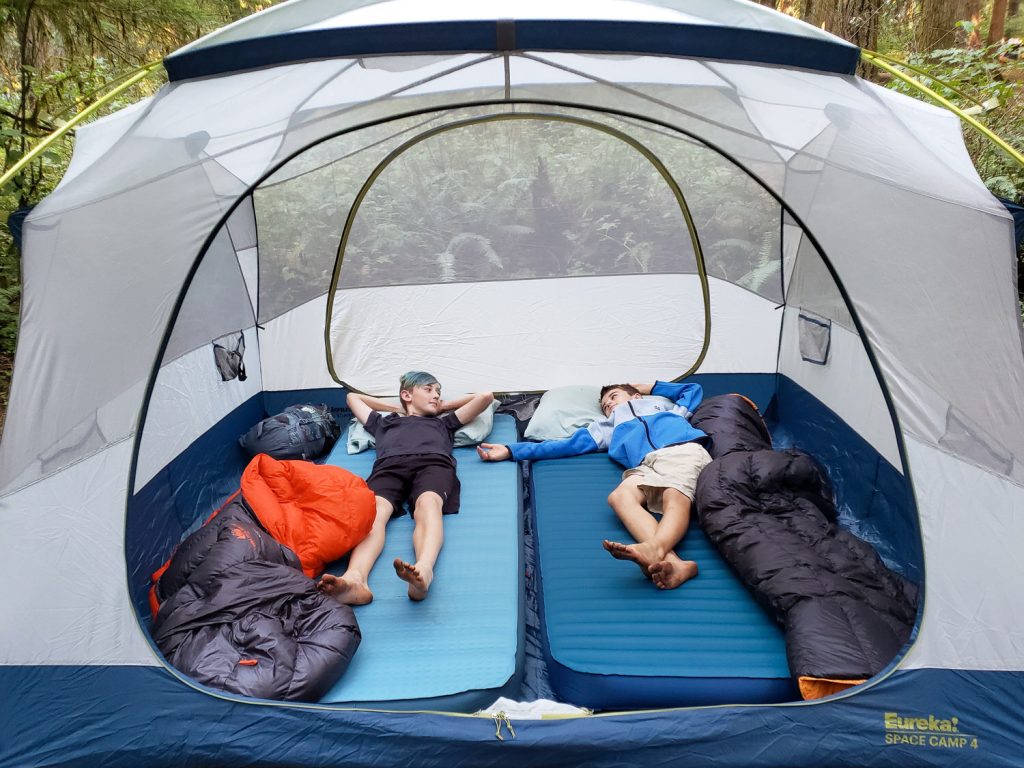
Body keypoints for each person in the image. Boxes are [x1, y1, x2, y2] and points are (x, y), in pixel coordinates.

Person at [478, 382, 710, 590]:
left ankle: (656, 548)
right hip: (646, 465)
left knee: (674, 494)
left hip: (681, 450)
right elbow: (564, 446)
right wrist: (511, 450)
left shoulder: (668, 410)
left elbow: (693, 389)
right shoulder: (606, 428)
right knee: (619, 497)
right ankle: (675, 564)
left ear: (637, 396)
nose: (608, 403)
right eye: (604, 403)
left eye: (614, 396)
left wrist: (648, 387)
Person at [318, 371, 494, 604]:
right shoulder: (383, 423)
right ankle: (355, 579)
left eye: (438, 392)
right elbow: (353, 398)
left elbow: (485, 396)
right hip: (389, 467)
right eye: (429, 390)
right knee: (375, 511)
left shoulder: (443, 423)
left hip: (433, 463)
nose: (435, 395)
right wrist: (399, 408)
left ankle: (424, 571)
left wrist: (442, 406)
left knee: (428, 503)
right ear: (406, 394)